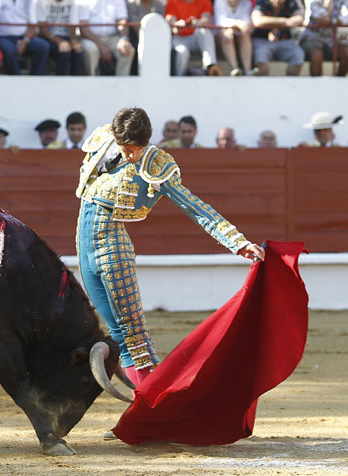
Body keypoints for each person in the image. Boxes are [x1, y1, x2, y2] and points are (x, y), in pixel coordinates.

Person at [74, 107, 264, 436]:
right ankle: (143, 409)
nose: (130, 155)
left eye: (136, 149)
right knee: (114, 331)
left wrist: (236, 241)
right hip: (83, 242)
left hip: (112, 247)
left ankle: (152, 413)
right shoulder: (104, 139)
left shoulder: (155, 163)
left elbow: (193, 205)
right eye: (125, 147)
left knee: (132, 334)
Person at [0, 0, 49, 75]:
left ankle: (35, 79)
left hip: (23, 37)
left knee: (42, 46)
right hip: (2, 37)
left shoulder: (29, 1)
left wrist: (25, 41)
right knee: (9, 49)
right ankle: (16, 80)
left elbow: (32, 26)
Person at [299, 0, 348, 77]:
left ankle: (338, 82)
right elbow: (320, 18)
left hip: (332, 42)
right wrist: (335, 20)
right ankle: (317, 86)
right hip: (311, 40)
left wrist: (330, 20)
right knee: (317, 54)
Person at [165, 0, 222, 76]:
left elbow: (206, 20)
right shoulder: (172, 2)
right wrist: (178, 25)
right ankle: (179, 76)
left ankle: (211, 67)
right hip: (179, 38)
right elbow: (171, 22)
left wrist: (197, 22)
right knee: (181, 52)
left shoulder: (204, 2)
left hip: (195, 37)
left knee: (205, 32)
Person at [79, 0, 134, 76]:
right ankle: (92, 81)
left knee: (127, 49)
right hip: (90, 39)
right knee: (91, 50)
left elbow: (122, 21)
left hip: (113, 38)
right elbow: (83, 27)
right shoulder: (83, 1)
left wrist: (123, 39)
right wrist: (101, 45)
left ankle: (121, 83)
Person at [250, 0, 305, 76]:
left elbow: (299, 19)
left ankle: (290, 85)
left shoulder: (291, 2)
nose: (278, 1)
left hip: (285, 41)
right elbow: (257, 20)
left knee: (298, 55)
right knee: (261, 57)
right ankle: (262, 84)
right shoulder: (262, 2)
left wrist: (273, 24)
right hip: (262, 40)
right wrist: (285, 21)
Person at [37, 0, 83, 75]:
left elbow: (72, 26)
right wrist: (59, 41)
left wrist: (74, 41)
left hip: (66, 37)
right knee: (64, 51)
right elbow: (42, 29)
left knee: (78, 50)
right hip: (48, 38)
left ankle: (76, 80)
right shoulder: (42, 1)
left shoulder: (71, 2)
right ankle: (61, 80)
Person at [214, 0, 255, 76]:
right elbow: (220, 21)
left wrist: (235, 27)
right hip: (221, 39)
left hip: (238, 35)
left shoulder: (246, 3)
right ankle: (235, 68)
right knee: (227, 34)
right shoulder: (220, 2)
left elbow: (246, 23)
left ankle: (247, 70)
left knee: (245, 35)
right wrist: (236, 24)